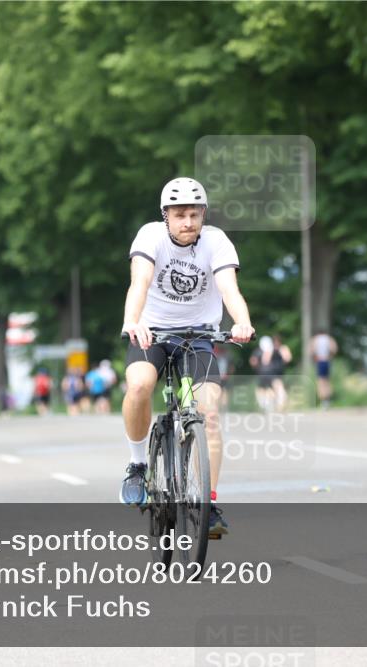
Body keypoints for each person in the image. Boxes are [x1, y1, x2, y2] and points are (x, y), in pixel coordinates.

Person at [120, 177, 254, 538]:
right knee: (139, 386)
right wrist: (132, 321)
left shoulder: (216, 241)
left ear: (203, 214)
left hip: (199, 336)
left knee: (208, 412)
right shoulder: (150, 236)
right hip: (153, 332)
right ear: (165, 216)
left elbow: (229, 288)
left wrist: (242, 321)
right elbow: (141, 282)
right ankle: (136, 464)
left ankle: (207, 505)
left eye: (194, 214)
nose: (188, 222)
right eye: (179, 214)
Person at [250, 335, 293, 412]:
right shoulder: (268, 350)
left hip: (269, 372)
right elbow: (262, 361)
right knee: (275, 389)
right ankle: (275, 405)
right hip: (270, 373)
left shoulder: (279, 349)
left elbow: (287, 358)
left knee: (272, 390)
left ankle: (274, 406)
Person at [309, 330, 338, 408]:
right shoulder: (329, 339)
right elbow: (334, 349)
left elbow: (311, 350)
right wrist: (330, 356)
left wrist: (315, 357)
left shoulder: (316, 339)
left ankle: (323, 401)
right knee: (327, 380)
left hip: (320, 361)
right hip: (327, 361)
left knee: (321, 381)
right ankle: (328, 400)